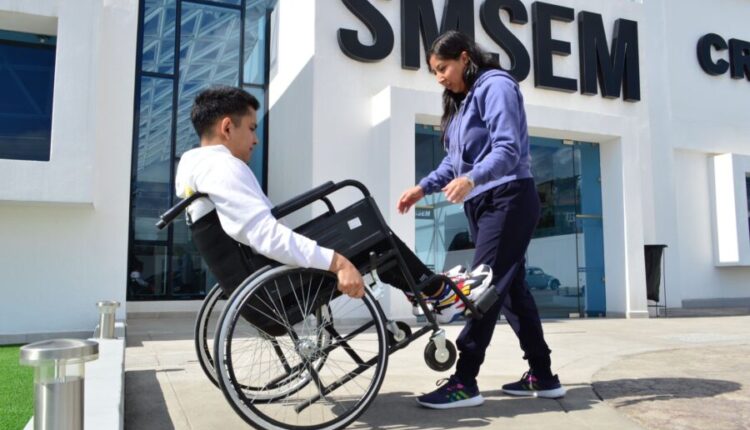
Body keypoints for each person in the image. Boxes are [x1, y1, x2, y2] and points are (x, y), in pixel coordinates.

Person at [174, 86, 490, 319]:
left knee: (361, 231)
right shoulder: (224, 168)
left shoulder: (196, 168)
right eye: (252, 128)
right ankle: (440, 294)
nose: (255, 139)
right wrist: (337, 262)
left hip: (263, 285)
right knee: (375, 235)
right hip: (278, 290)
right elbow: (264, 235)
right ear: (227, 127)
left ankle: (428, 289)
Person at [396, 31, 566, 409]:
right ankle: (543, 375)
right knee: (512, 291)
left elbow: (508, 148)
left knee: (482, 289)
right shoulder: (462, 104)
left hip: (508, 197)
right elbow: (454, 162)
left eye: (443, 68)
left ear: (464, 57)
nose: (439, 77)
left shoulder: (495, 86)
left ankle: (465, 380)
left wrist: (472, 179)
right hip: (484, 202)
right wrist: (423, 188)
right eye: (434, 72)